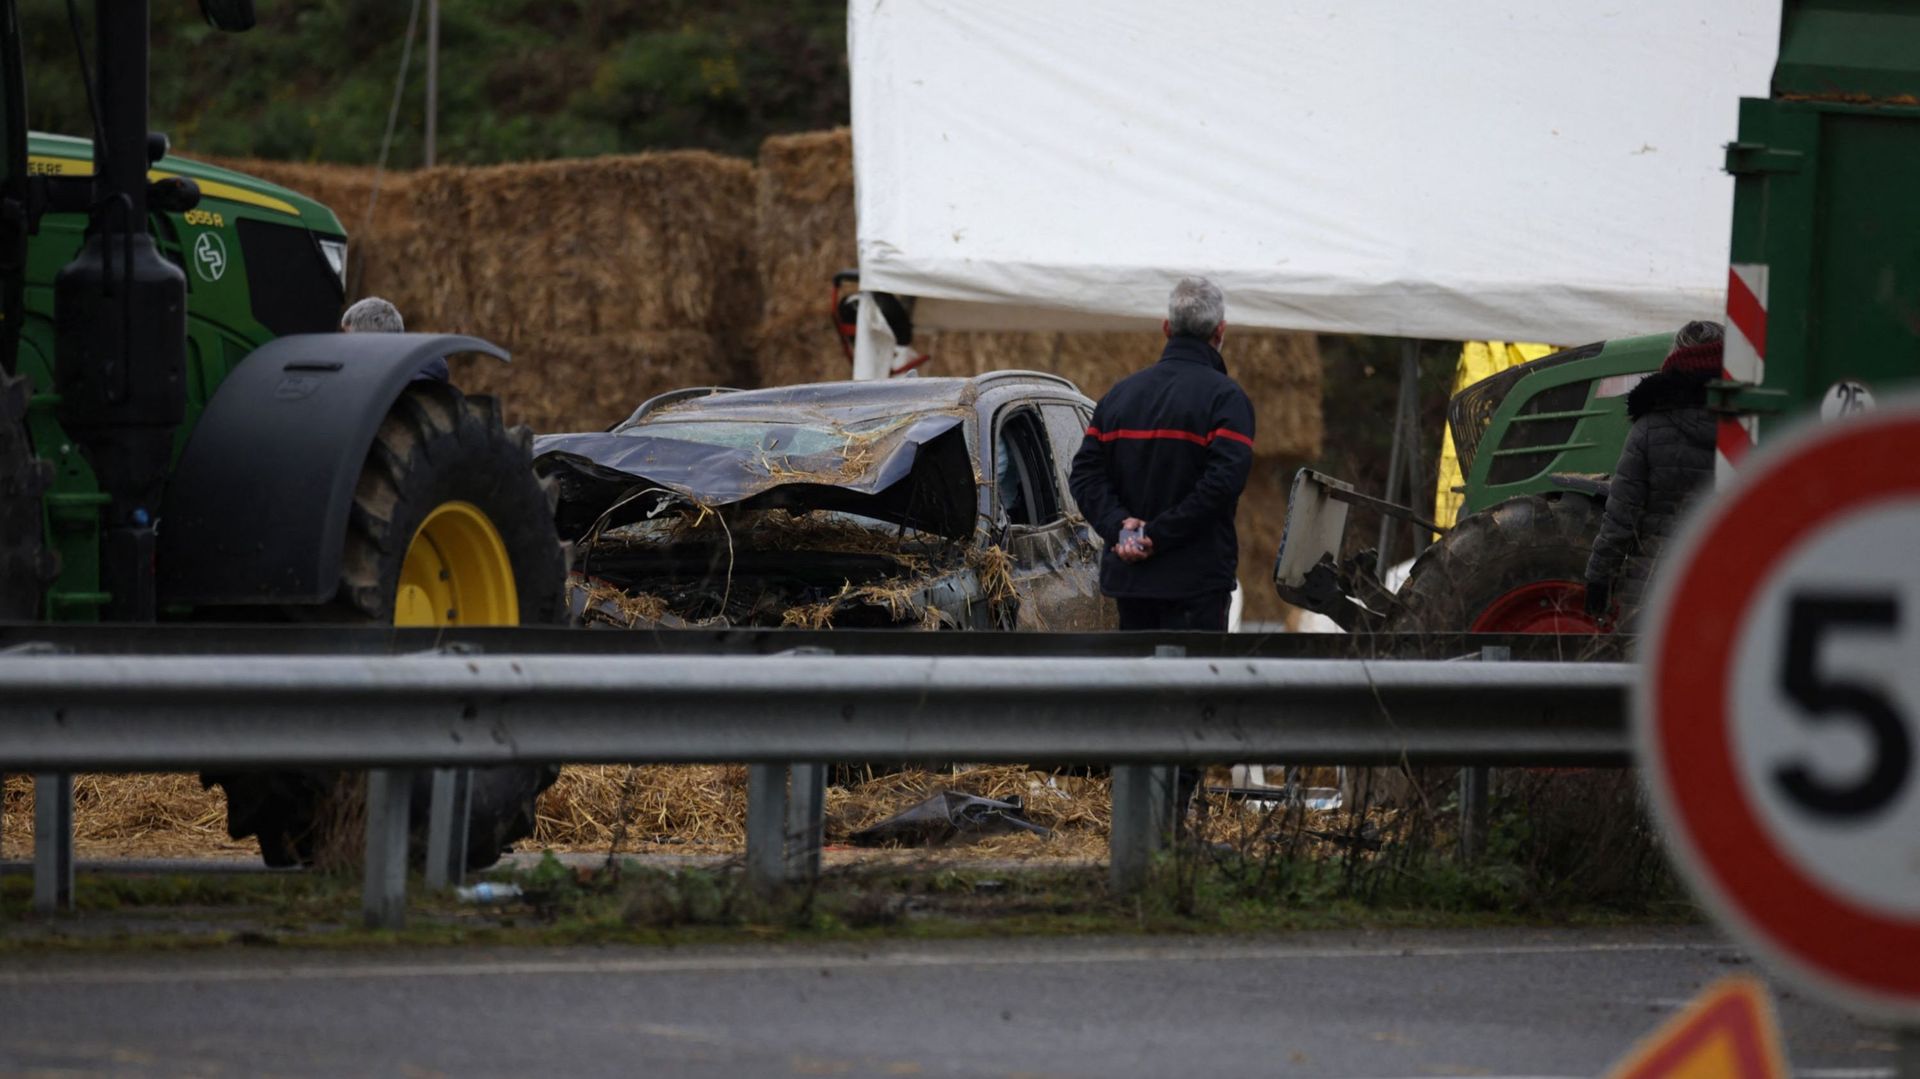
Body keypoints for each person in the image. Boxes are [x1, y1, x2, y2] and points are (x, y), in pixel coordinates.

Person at [1068, 276, 1256, 631]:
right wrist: (1157, 535)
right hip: (1196, 584)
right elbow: (1223, 483)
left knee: (1135, 683)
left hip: (1131, 581)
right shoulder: (1227, 401)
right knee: (1192, 685)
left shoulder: (1120, 395)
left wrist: (1121, 528)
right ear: (1220, 332)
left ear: (1167, 328)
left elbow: (1084, 474)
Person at [1584, 320, 1723, 628]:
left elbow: (1620, 520)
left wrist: (1598, 579)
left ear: (1674, 360)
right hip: (1722, 587)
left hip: (1652, 588)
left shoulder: (1648, 429)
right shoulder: (1747, 428)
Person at [340, 295, 449, 382]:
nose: (347, 352)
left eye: (350, 342)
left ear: (369, 343)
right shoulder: (420, 376)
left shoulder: (396, 394)